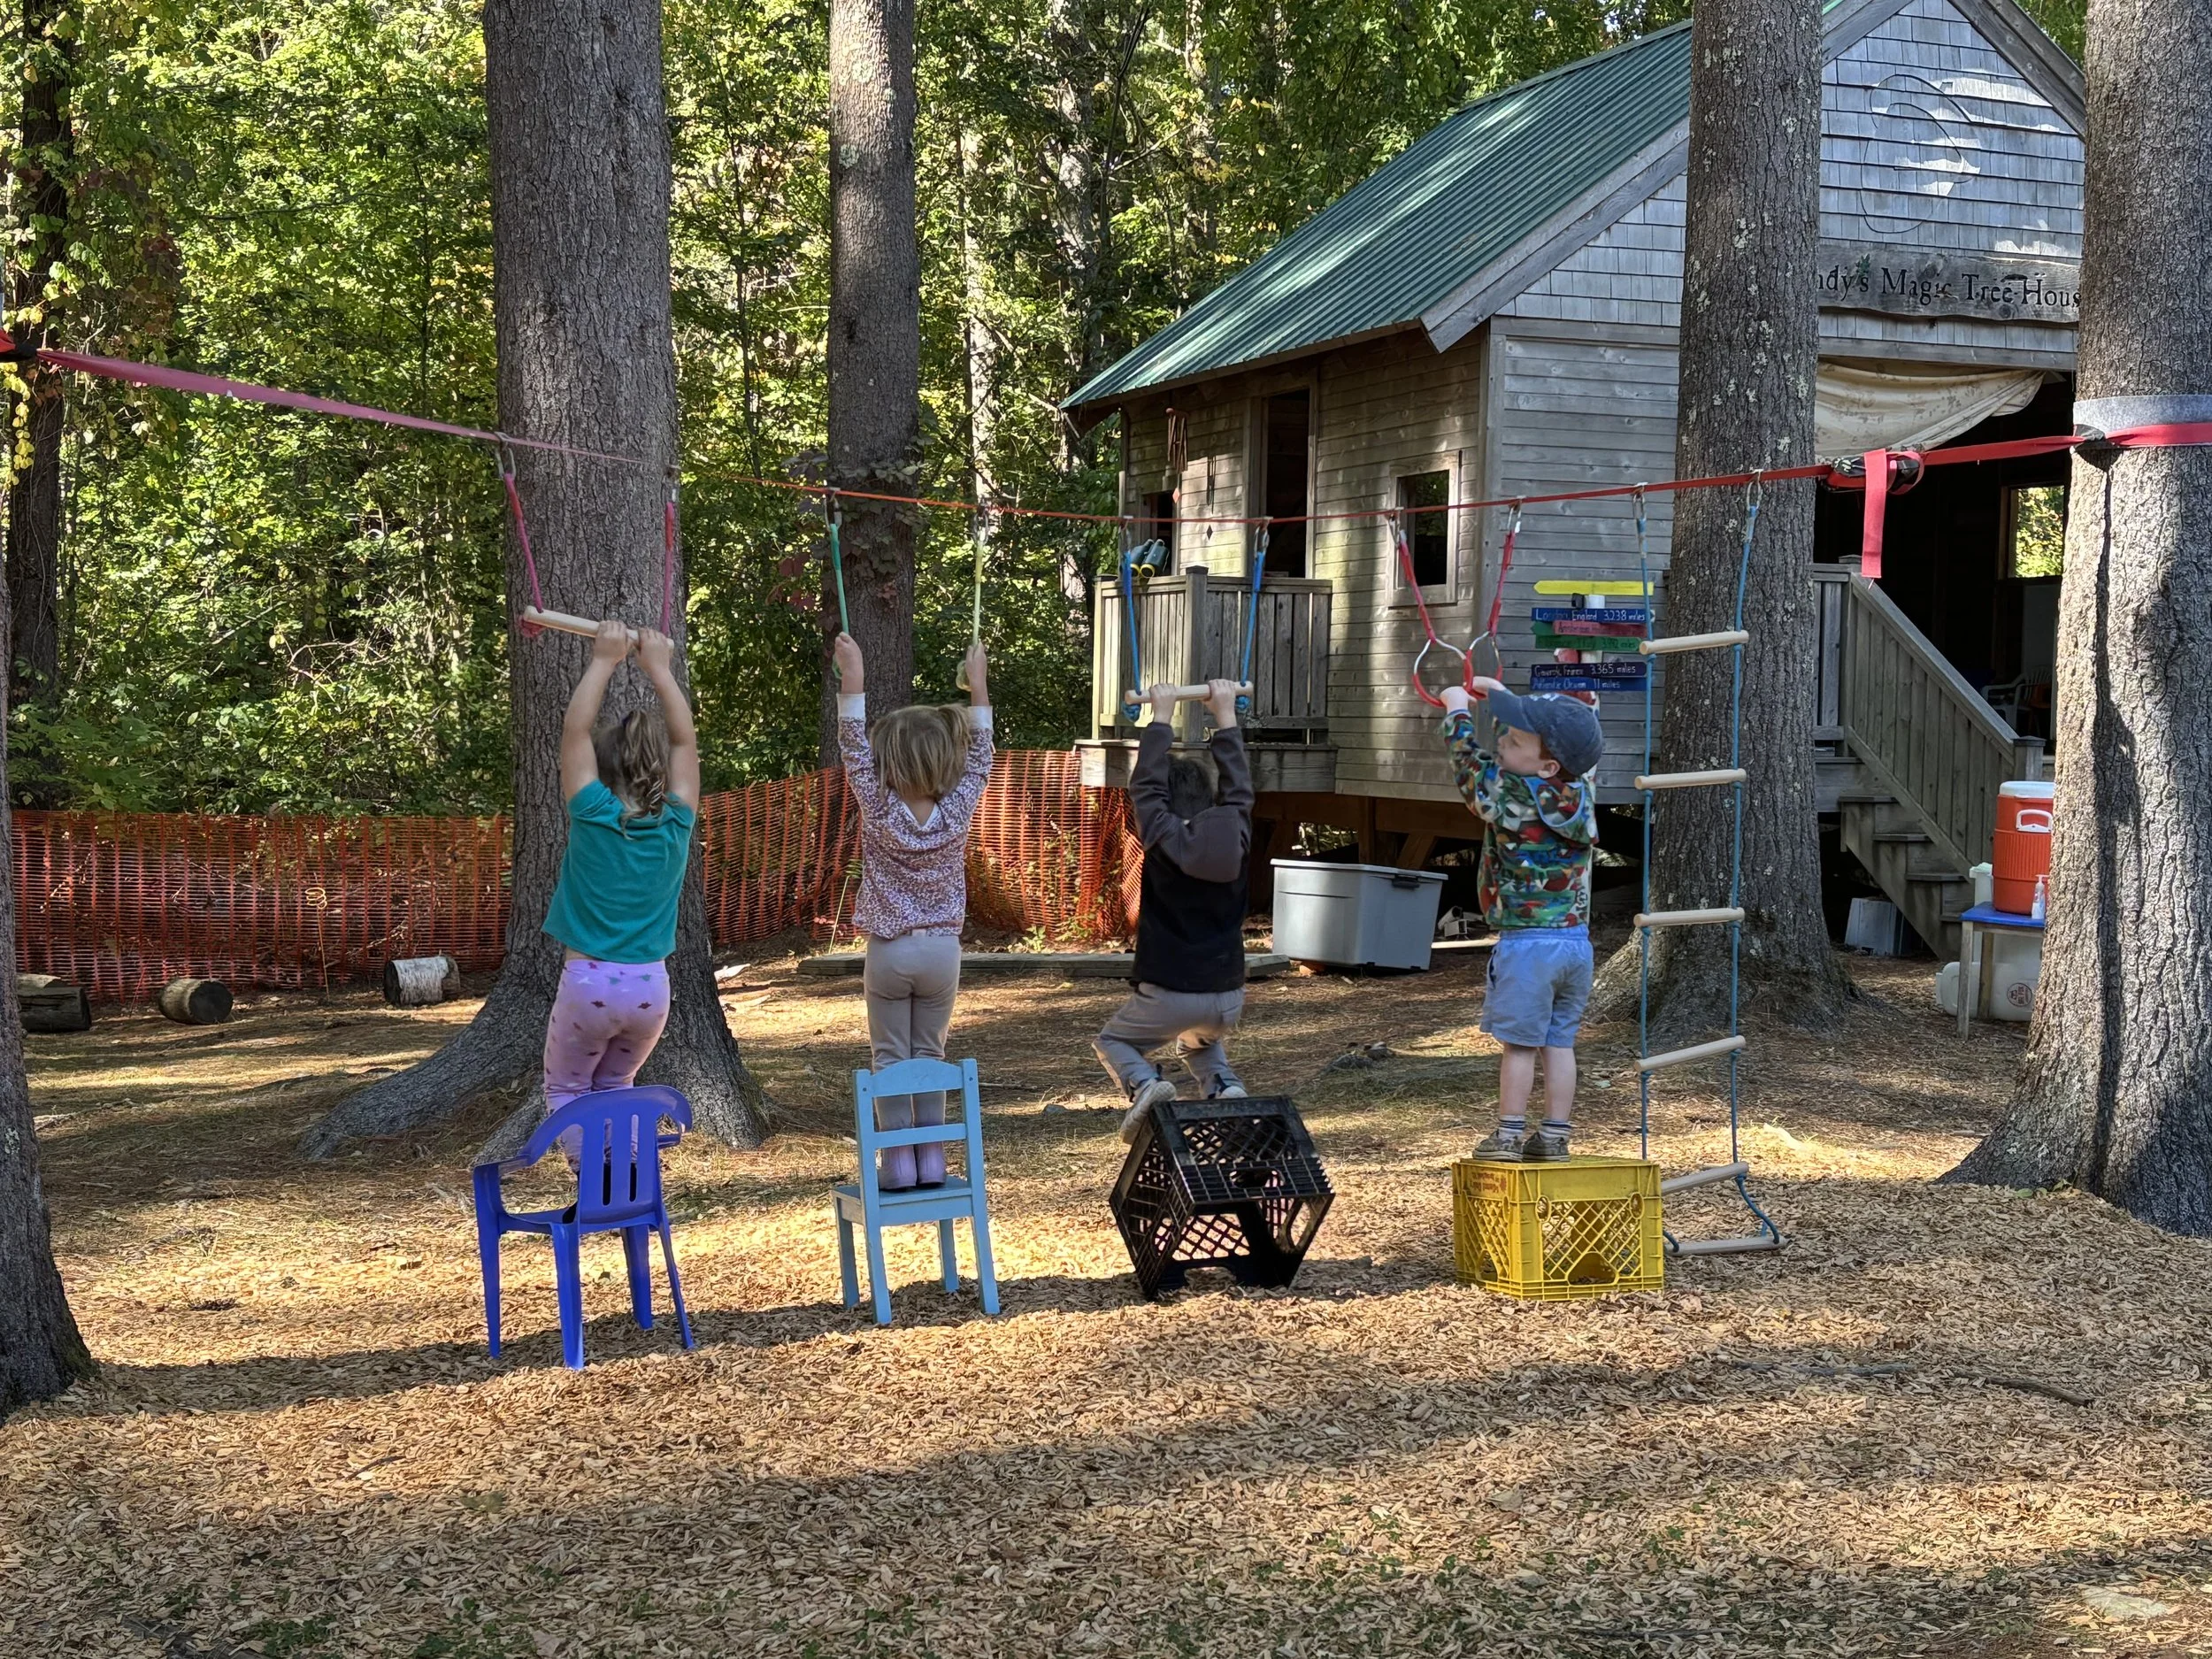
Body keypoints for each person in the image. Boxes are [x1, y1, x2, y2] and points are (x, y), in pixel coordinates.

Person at [833, 632, 995, 1191]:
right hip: (941, 951)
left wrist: (852, 677)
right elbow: (983, 754)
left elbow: (853, 746)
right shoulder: (959, 808)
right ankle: (933, 1159)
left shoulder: (878, 808)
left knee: (890, 1055)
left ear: (892, 766)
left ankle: (896, 1163)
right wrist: (978, 688)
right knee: (932, 1052)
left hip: (890, 949)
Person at [540, 619, 703, 1147]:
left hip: (588, 983)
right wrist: (659, 670)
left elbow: (573, 733)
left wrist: (603, 661)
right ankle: (630, 1183)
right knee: (617, 1085)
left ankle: (594, 1190)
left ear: (603, 774)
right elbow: (684, 739)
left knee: (567, 1090)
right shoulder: (677, 822)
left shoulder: (593, 813)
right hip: (651, 991)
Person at [1438, 675, 1603, 1162]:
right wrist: (1504, 700)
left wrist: (1457, 713)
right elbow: (1525, 750)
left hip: (1527, 945)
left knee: (1519, 1045)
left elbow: (1470, 767)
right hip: (1575, 944)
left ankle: (1508, 1136)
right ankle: (1555, 1136)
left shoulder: (1507, 793)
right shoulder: (1580, 792)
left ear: (1547, 764)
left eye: (1511, 740)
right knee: (1559, 1043)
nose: (1502, 743)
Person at [1096, 679, 1254, 1146]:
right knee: (1199, 1041)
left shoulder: (1163, 835)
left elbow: (1144, 784)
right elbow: (1240, 787)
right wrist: (1225, 715)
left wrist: (1159, 717)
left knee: (1114, 1042)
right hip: (1228, 997)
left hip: (1169, 992)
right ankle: (1223, 1087)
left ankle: (1145, 1085)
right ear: (1210, 800)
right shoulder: (1239, 833)